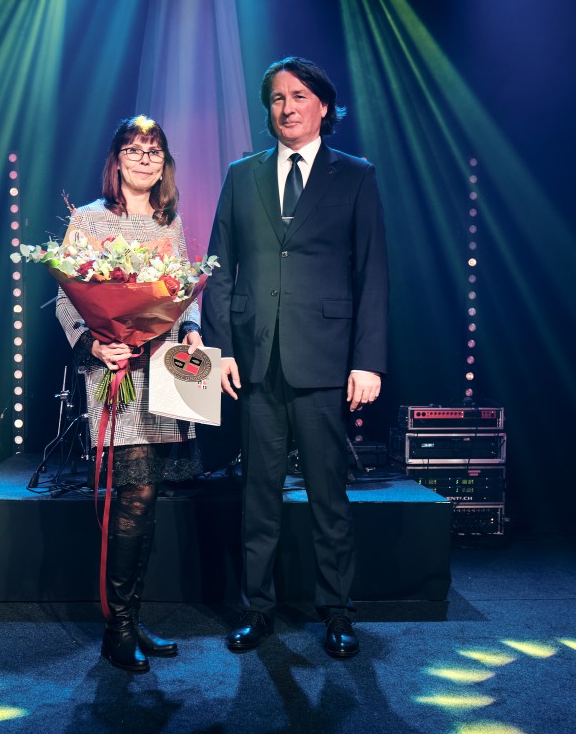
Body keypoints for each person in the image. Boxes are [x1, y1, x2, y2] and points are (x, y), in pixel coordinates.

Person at [202, 57, 389, 659]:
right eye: (278, 98)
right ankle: (257, 608)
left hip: (326, 360)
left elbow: (373, 273)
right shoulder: (241, 175)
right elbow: (219, 270)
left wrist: (368, 361)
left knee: (328, 496)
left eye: (300, 95)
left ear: (323, 106)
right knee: (258, 494)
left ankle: (337, 611)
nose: (287, 107)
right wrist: (219, 351)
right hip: (256, 361)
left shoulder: (355, 175)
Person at [55, 115, 205, 674]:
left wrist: (193, 330)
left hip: (163, 368)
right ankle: (116, 627)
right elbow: (69, 300)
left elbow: (184, 293)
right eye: (134, 149)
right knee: (134, 494)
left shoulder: (170, 222)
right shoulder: (88, 219)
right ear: (116, 159)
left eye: (154, 150)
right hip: (115, 369)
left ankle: (131, 617)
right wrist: (95, 345)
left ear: (164, 164)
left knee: (149, 494)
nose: (144, 158)